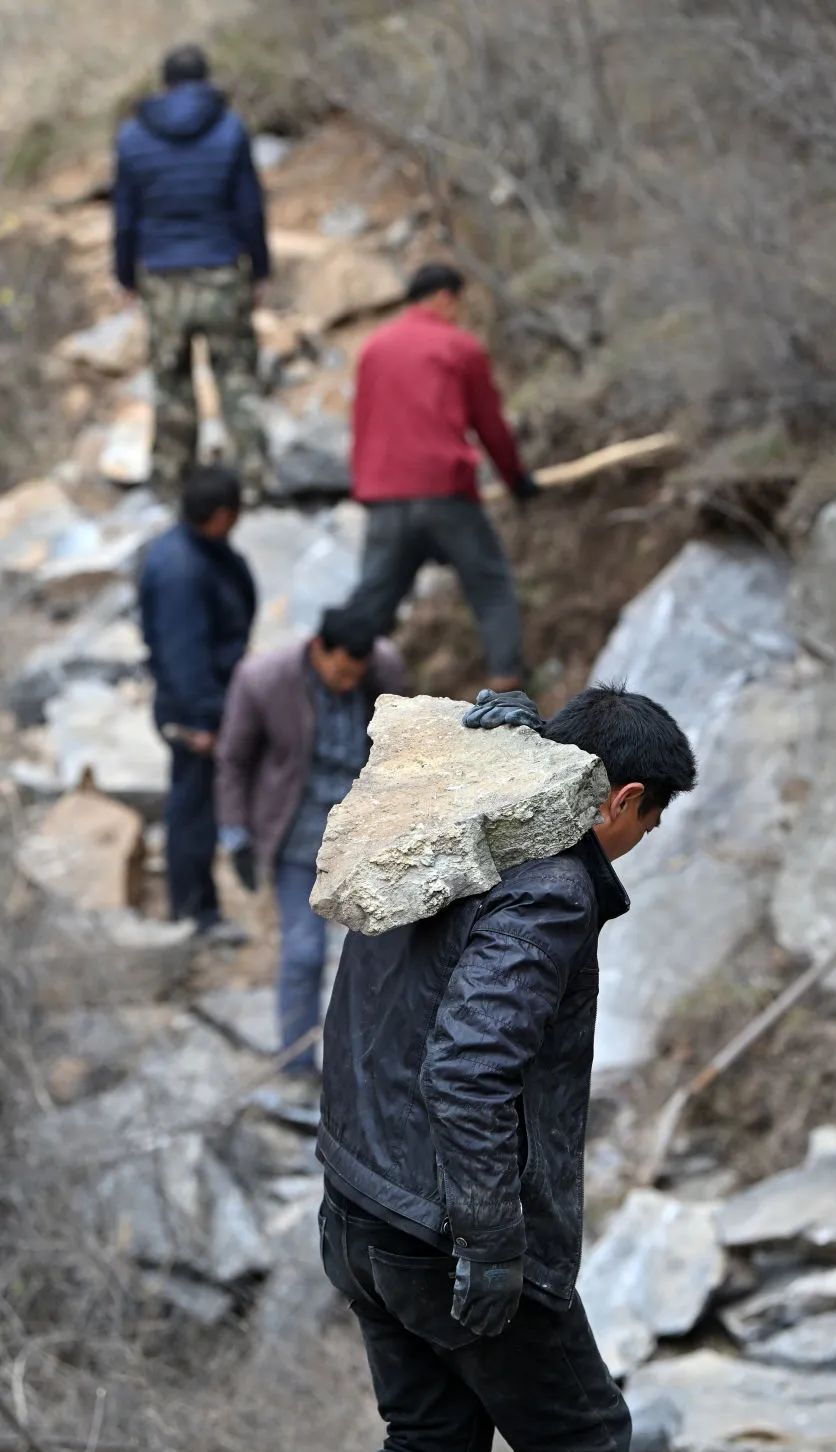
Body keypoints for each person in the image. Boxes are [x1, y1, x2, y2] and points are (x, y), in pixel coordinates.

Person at [317, 683, 697, 1452]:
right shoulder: (551, 887)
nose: (647, 835)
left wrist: (485, 743)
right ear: (620, 800)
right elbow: (467, 1069)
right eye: (652, 818)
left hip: (355, 1202)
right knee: (583, 1450)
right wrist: (490, 1244)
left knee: (431, 1446)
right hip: (440, 1233)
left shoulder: (450, 820)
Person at [215, 608, 409, 1085]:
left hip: (368, 831)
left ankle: (372, 1064)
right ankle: (297, 1065)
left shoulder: (383, 667)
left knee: (379, 952)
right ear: (319, 648)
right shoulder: (263, 679)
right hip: (298, 832)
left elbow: (407, 739)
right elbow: (233, 760)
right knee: (303, 952)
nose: (348, 683)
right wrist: (235, 833)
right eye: (341, 671)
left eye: (355, 675)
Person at [349, 262, 540, 692]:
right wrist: (516, 480)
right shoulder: (460, 347)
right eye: (457, 303)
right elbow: (489, 424)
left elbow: (361, 421)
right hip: (445, 493)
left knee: (373, 601)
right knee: (490, 585)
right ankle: (506, 688)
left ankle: (342, 688)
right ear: (443, 297)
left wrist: (366, 488)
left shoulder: (374, 348)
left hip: (385, 497)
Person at [113, 44, 270, 499]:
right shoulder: (230, 129)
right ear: (206, 80)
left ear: (164, 84)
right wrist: (259, 269)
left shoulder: (132, 138)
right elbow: (250, 210)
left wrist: (126, 276)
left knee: (171, 384)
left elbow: (124, 217)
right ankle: (255, 480)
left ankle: (172, 486)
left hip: (161, 277)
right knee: (237, 377)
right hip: (222, 268)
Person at [139, 465, 255, 941]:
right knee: (193, 807)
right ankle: (194, 911)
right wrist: (203, 719)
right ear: (222, 514)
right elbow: (183, 654)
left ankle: (197, 904)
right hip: (192, 709)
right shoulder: (180, 570)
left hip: (210, 695)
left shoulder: (200, 551)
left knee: (196, 802)